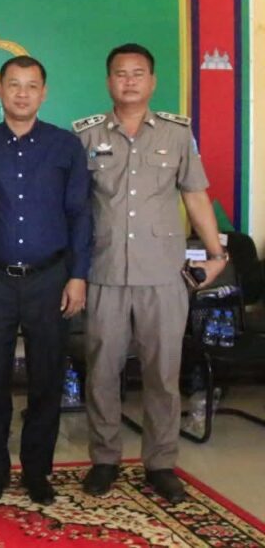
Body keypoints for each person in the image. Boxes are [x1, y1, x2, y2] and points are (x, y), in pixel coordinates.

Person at [75, 43, 227, 504]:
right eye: (121, 74)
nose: (129, 81)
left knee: (163, 375)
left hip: (162, 274)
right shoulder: (85, 135)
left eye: (138, 73)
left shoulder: (178, 135)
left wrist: (216, 253)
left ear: (152, 81)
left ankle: (161, 463)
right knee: (102, 372)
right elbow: (74, 206)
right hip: (105, 271)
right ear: (108, 81)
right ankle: (105, 459)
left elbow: (195, 195)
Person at [0, 55, 91, 505]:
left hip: (50, 278)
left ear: (44, 92)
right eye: (14, 84)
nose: (22, 93)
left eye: (31, 85)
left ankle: (38, 472)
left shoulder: (66, 146)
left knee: (46, 378)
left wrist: (78, 276)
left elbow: (80, 215)